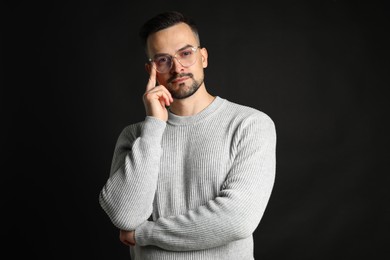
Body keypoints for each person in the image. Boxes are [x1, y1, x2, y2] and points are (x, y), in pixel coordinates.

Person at [99, 10, 277, 260]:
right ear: (151, 69)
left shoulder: (249, 125)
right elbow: (125, 216)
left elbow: (237, 219)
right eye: (163, 60)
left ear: (203, 57)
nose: (177, 67)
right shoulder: (136, 136)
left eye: (185, 53)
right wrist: (153, 125)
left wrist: (144, 234)